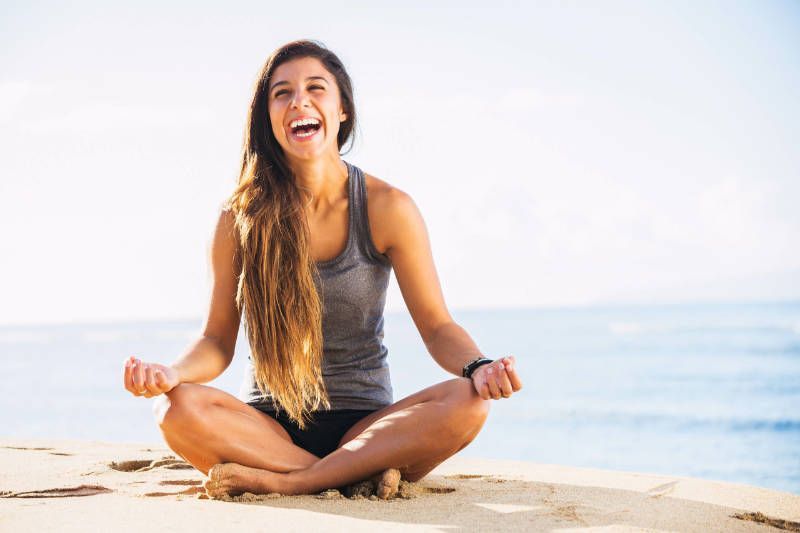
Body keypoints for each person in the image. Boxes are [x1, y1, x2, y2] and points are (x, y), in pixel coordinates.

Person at [122, 39, 523, 499]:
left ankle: (291, 482)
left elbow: (436, 327)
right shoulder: (239, 218)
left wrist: (479, 367)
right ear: (268, 116)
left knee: (468, 403)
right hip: (267, 431)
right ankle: (344, 476)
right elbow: (216, 340)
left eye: (316, 88)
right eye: (282, 93)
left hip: (367, 427)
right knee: (175, 410)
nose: (299, 101)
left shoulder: (387, 208)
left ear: (342, 110)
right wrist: (172, 374)